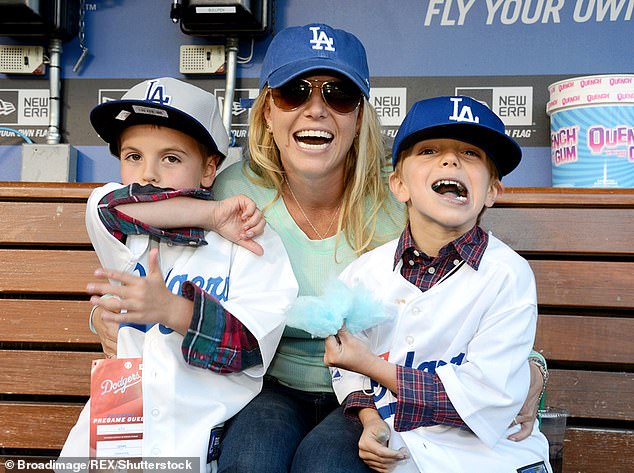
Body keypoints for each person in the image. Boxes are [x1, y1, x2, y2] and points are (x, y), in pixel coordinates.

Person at [92, 25, 547, 472]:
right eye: (294, 92)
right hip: (270, 383)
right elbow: (146, 236)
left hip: (373, 388)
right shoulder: (231, 192)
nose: (316, 110)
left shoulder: (405, 194)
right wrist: (107, 313)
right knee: (253, 459)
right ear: (267, 110)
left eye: (338, 94)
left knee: (327, 463)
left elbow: (465, 293)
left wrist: (533, 369)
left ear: (359, 116)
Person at [58, 77, 298, 473]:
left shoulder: (251, 239)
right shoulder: (121, 228)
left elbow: (249, 347)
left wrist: (171, 310)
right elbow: (113, 206)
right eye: (133, 156)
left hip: (196, 437)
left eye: (170, 158)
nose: (148, 173)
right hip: (113, 428)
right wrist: (210, 214)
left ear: (208, 169)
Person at [323, 95, 551, 472]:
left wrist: (373, 366)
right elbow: (346, 367)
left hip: (496, 457)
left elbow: (484, 399)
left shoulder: (509, 274)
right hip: (404, 451)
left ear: (492, 190)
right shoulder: (364, 272)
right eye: (429, 150)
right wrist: (370, 420)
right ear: (398, 185)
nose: (450, 160)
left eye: (471, 153)